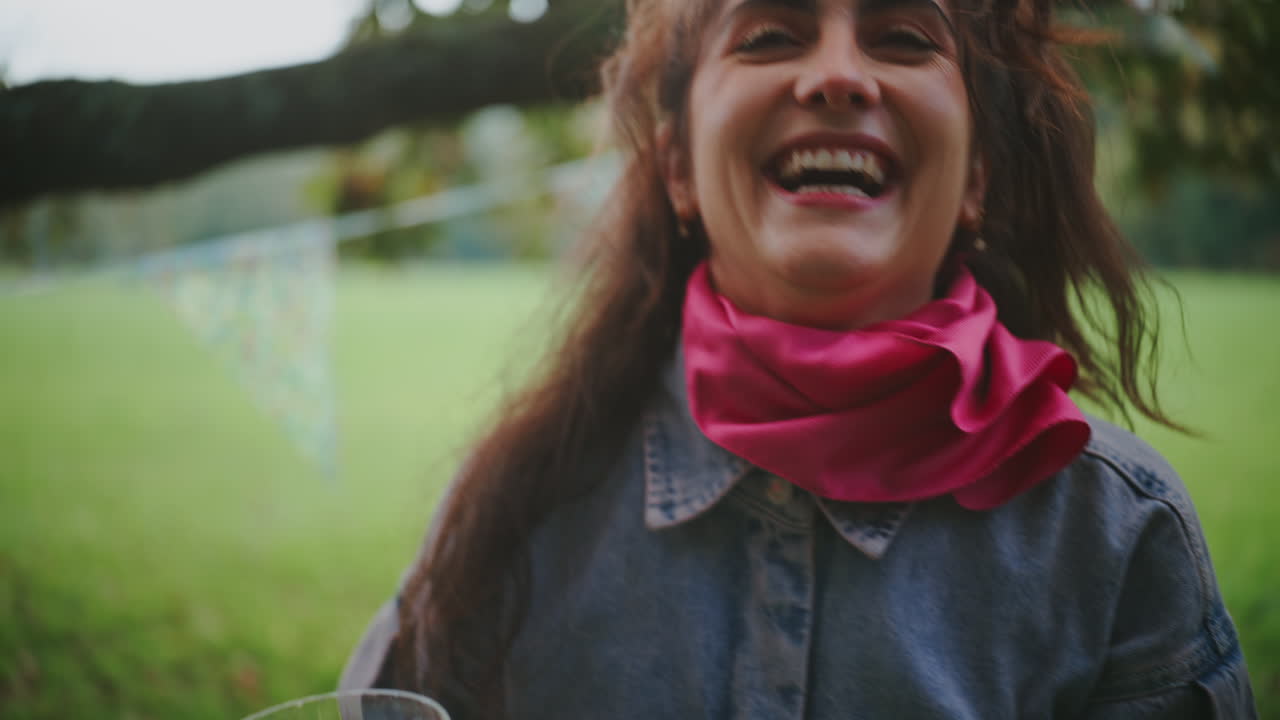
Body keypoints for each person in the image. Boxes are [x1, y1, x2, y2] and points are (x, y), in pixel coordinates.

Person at [341, 0, 1259, 716]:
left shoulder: (1117, 539)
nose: (836, 75)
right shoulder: (512, 504)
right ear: (679, 171)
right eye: (772, 33)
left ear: (976, 176)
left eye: (902, 37)